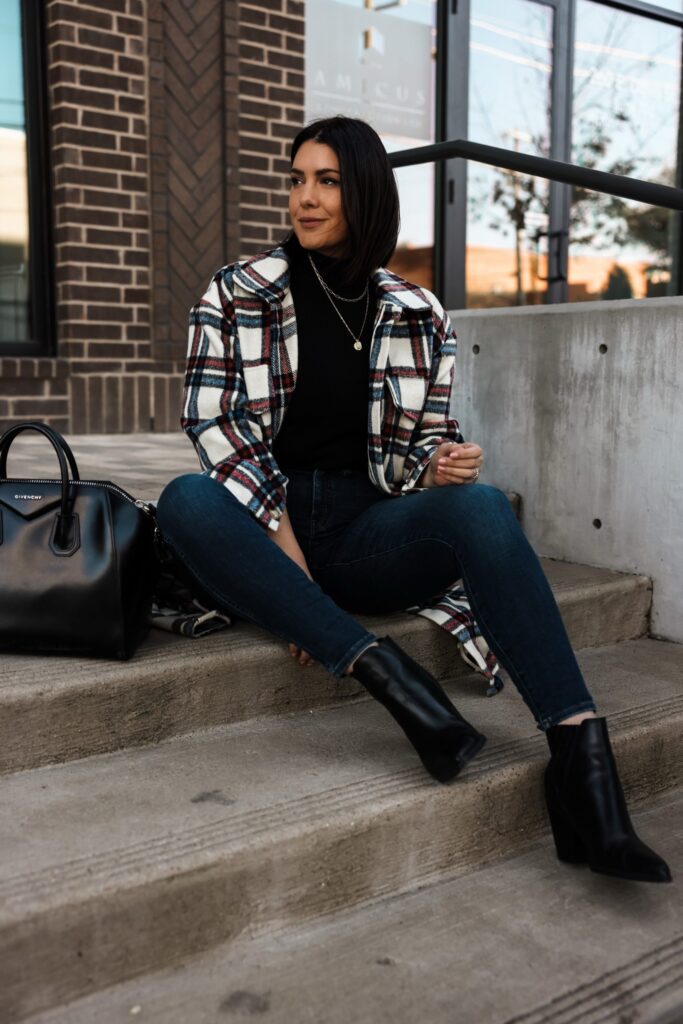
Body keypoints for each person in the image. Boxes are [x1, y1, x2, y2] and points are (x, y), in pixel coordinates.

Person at [157, 115, 670, 884]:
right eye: (297, 179)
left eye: (326, 180)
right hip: (265, 530)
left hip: (365, 534)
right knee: (185, 499)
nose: (305, 197)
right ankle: (393, 681)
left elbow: (412, 447)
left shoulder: (417, 312)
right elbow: (216, 425)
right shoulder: (239, 292)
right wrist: (288, 560)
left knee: (484, 508)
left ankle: (580, 760)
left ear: (364, 191)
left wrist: (437, 465)